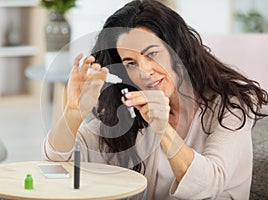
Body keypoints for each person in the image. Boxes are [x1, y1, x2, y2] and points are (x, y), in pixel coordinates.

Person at [42, 0, 268, 199]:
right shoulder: (130, 106)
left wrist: (164, 129)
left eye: (152, 54)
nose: (144, 71)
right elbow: (58, 163)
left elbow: (210, 185)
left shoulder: (231, 101)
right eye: (130, 63)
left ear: (177, 51)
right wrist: (72, 113)